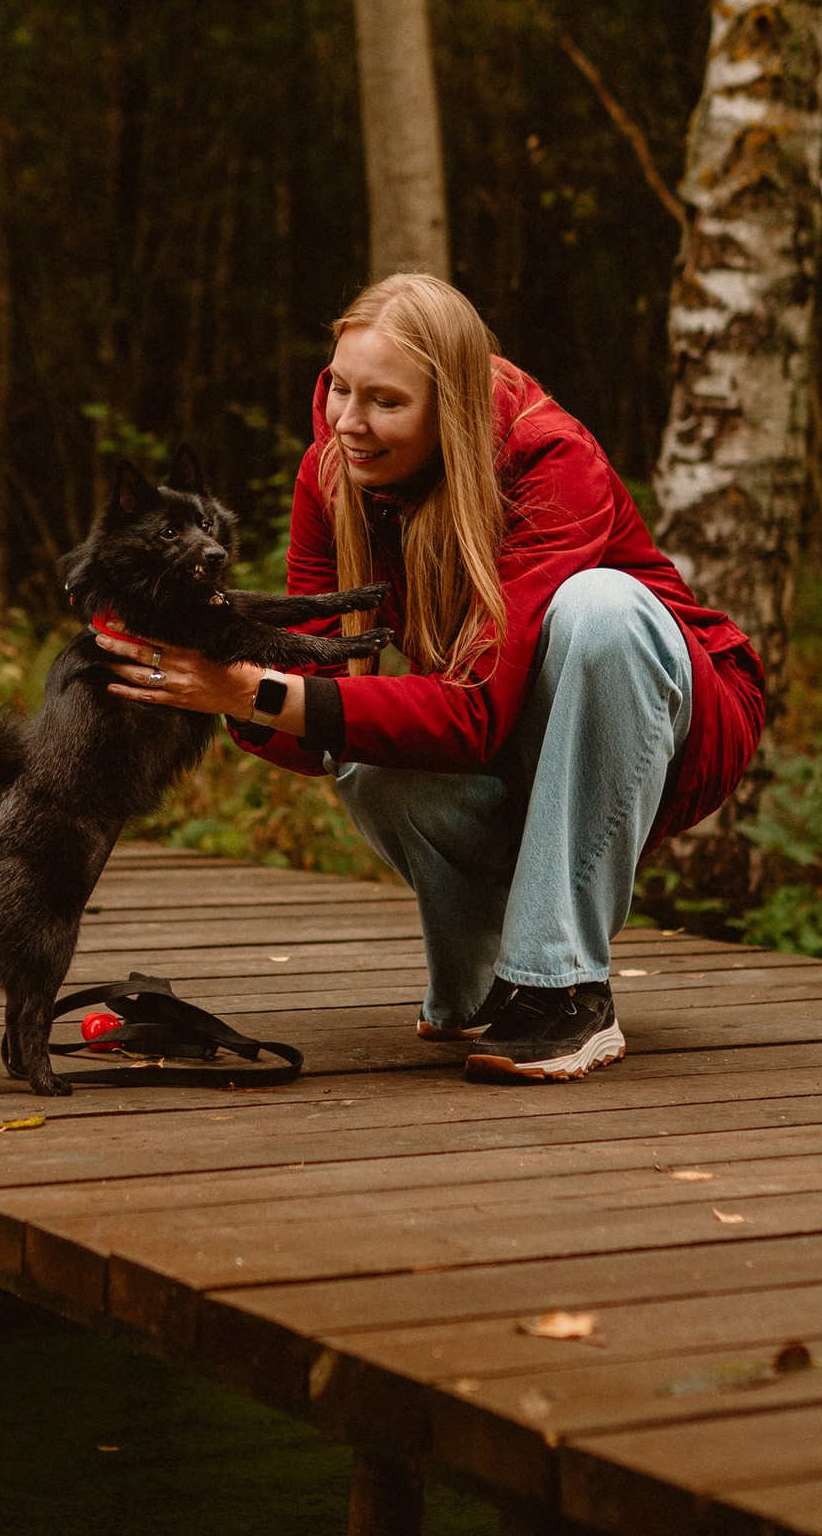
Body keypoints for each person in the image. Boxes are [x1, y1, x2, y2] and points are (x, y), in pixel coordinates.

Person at [93, 270, 765, 1080]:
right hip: (521, 727)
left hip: (669, 717)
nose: (348, 422)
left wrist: (253, 690)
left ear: (448, 406)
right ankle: (482, 985)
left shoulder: (552, 461)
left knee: (600, 608)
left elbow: (474, 715)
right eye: (339, 388)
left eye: (385, 401)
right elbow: (310, 736)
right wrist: (197, 650)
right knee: (369, 763)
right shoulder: (332, 475)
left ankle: (565, 990)